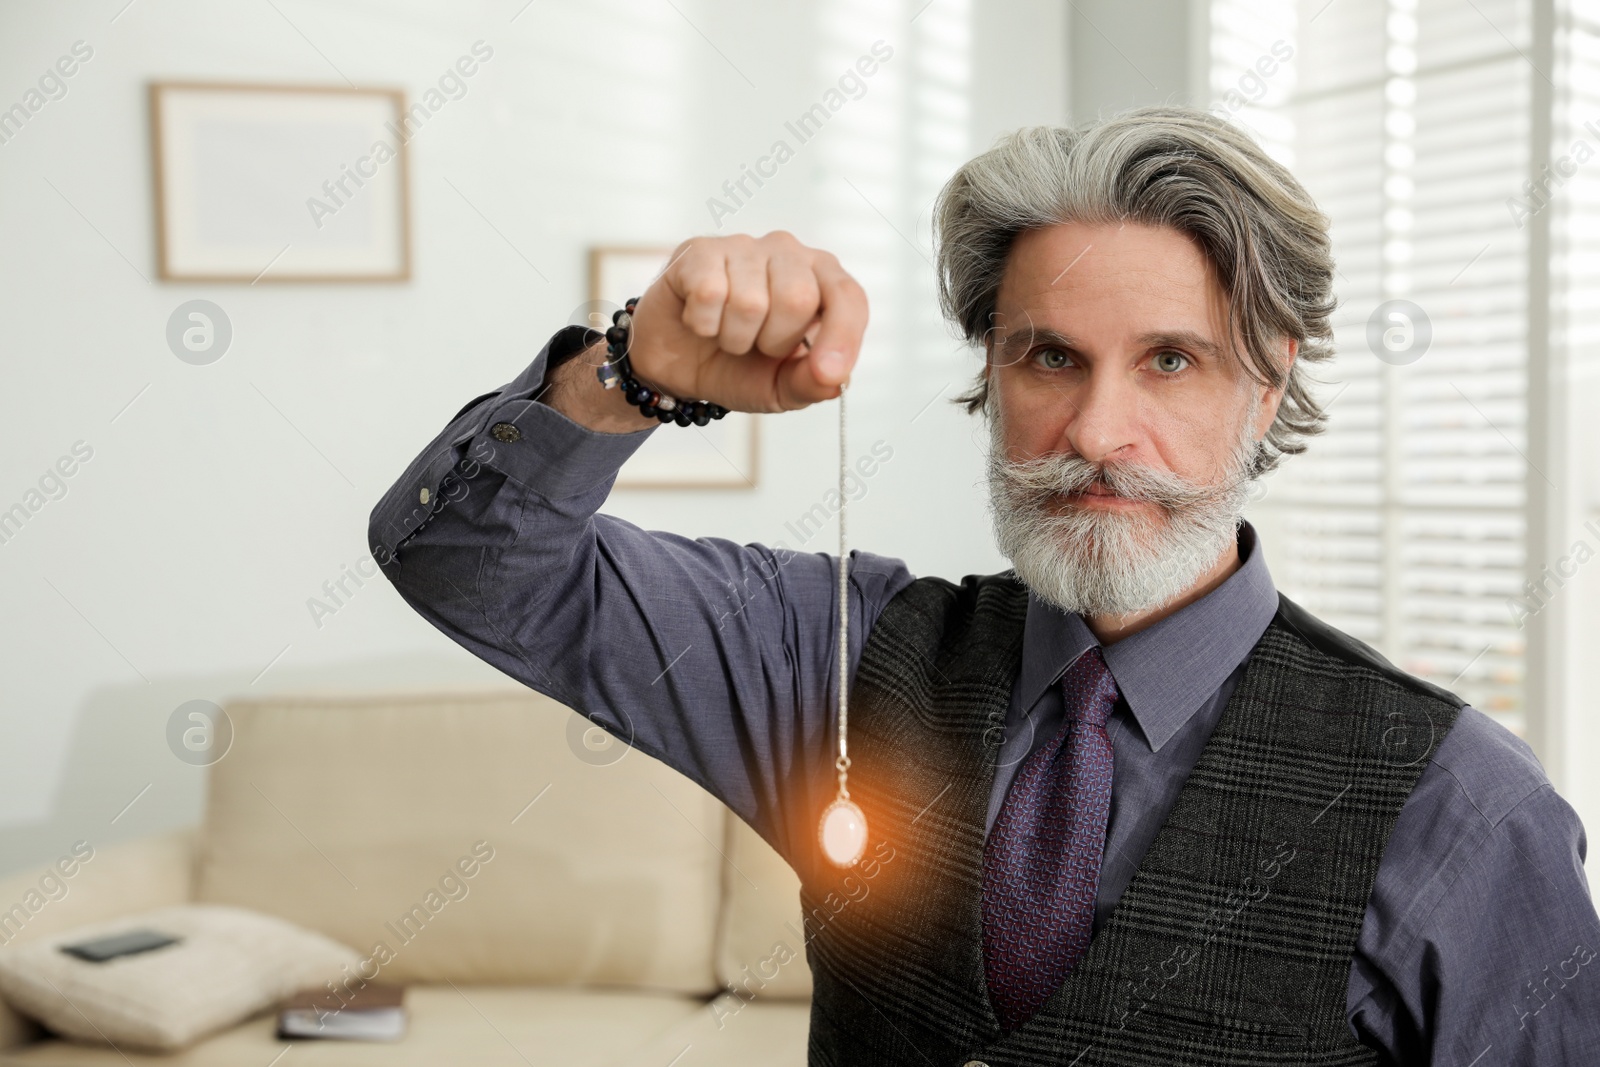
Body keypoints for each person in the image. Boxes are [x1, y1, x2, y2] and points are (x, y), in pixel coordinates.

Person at [368, 106, 1599, 1065]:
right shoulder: (835, 661)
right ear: (992, 374)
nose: (1099, 429)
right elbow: (462, 557)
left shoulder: (1462, 811)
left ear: (1266, 385)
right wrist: (632, 373)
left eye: (1169, 360)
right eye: (1048, 356)